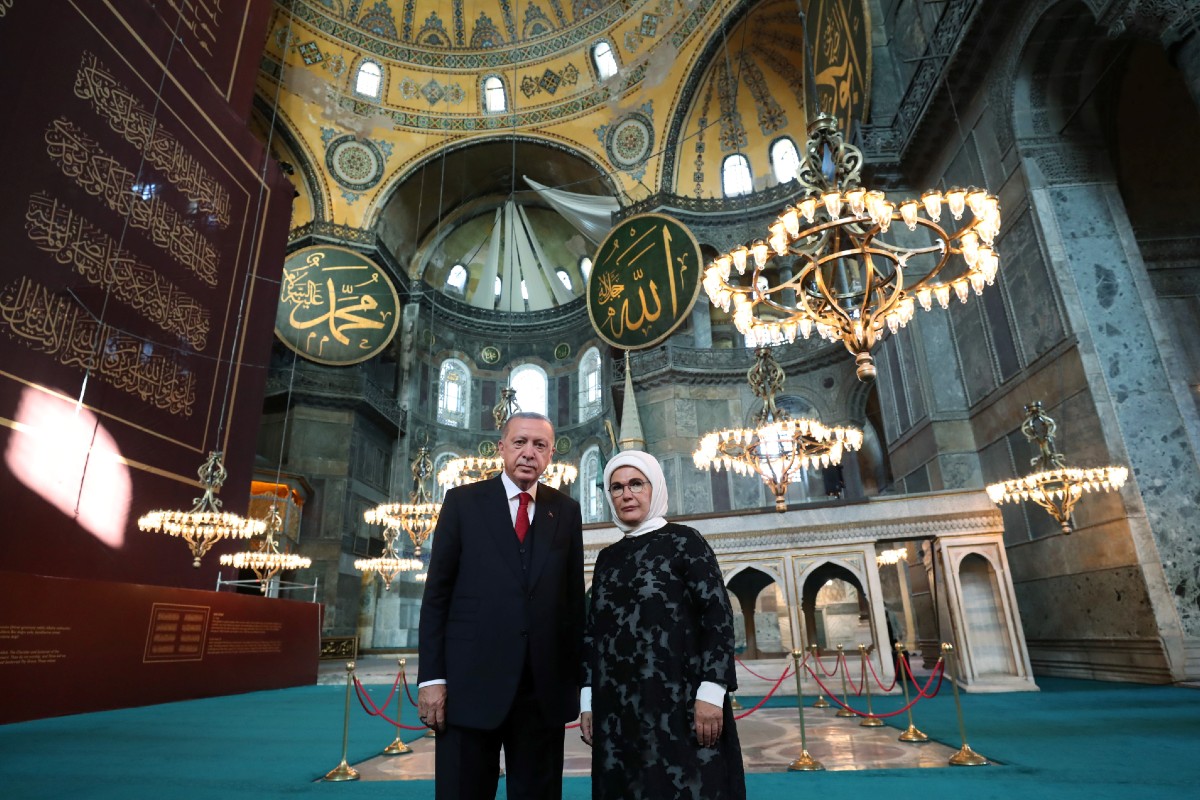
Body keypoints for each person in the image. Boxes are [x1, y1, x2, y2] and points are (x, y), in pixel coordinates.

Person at [417, 411, 585, 800]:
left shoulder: (565, 511)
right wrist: (432, 679)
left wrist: (581, 684)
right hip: (468, 686)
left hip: (541, 691)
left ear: (551, 454)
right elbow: (437, 597)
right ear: (501, 449)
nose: (529, 452)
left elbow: (573, 604)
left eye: (539, 445)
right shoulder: (463, 502)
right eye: (520, 442)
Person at [580, 449, 745, 799]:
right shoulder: (608, 558)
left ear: (654, 487)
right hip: (617, 713)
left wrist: (712, 692)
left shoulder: (685, 542)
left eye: (636, 484)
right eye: (616, 487)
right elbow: (592, 633)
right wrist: (588, 700)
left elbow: (717, 618)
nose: (626, 494)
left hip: (682, 706)